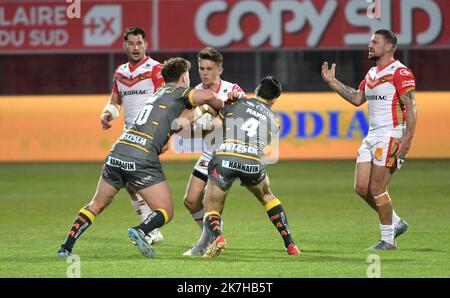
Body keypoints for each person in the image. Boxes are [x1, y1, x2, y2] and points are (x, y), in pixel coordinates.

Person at [57, 57, 225, 258]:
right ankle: (141, 230)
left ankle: (66, 247)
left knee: (97, 203)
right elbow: (209, 96)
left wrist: (196, 115)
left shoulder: (157, 95)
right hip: (141, 156)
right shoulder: (180, 92)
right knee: (165, 211)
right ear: (183, 77)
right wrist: (216, 105)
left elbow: (173, 123)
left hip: (118, 150)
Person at [321, 29, 416, 250]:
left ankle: (388, 240)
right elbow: (356, 98)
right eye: (370, 41)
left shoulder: (400, 72)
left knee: (377, 188)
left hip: (391, 135)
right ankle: (396, 222)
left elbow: (411, 106)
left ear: (389, 47)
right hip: (372, 136)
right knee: (361, 188)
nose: (369, 45)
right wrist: (333, 82)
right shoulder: (372, 73)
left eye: (375, 42)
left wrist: (408, 138)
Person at [201, 76, 301, 258]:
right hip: (252, 162)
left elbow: (213, 123)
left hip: (225, 157)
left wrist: (221, 106)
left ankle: (219, 237)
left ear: (256, 90)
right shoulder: (275, 121)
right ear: (274, 99)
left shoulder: (236, 104)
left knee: (211, 206)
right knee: (267, 196)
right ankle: (291, 245)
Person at [100, 27, 165, 245]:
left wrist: (166, 135)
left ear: (146, 44)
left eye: (139, 43)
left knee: (135, 179)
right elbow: (115, 101)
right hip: (129, 134)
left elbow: (165, 102)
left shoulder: (156, 69)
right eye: (131, 43)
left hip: (149, 133)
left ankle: (152, 227)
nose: (136, 48)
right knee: (130, 184)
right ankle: (151, 226)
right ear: (124, 46)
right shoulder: (120, 72)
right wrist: (108, 113)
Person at [182, 47, 245, 256]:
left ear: (220, 70)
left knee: (211, 203)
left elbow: (244, 121)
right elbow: (186, 127)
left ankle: (203, 244)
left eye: (209, 68)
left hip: (227, 155)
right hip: (208, 152)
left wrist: (223, 114)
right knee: (190, 200)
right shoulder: (195, 93)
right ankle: (211, 234)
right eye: (201, 68)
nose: (204, 73)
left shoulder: (232, 90)